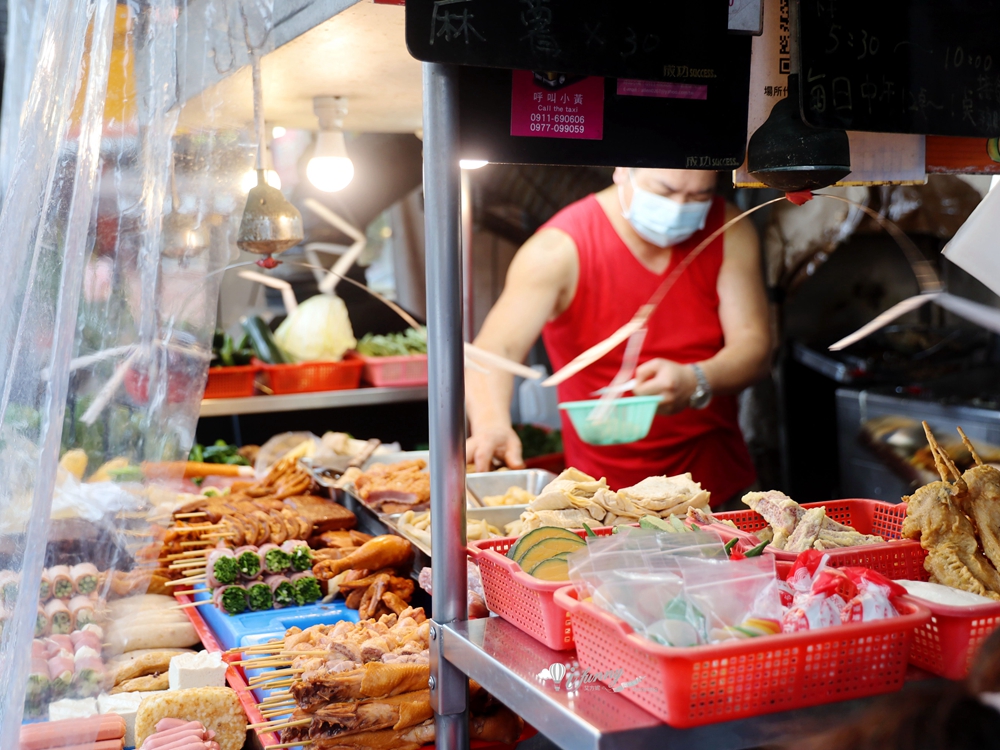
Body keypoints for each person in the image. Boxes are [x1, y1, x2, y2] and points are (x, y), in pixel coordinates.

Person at [465, 168, 771, 505]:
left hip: (715, 488)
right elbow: (494, 349)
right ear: (623, 172)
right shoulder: (558, 249)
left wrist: (696, 378)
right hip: (601, 498)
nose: (680, 206)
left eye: (699, 196)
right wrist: (491, 423)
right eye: (664, 191)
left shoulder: (728, 229)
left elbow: (755, 347)